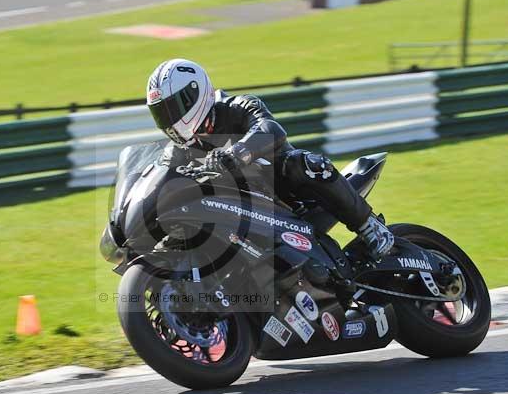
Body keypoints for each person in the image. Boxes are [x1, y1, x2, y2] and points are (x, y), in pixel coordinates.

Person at [146, 58, 394, 260]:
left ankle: (369, 226)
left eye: (172, 107)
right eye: (161, 112)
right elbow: (164, 180)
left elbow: (270, 128)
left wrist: (237, 153)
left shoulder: (236, 106)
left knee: (305, 163)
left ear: (194, 93)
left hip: (287, 195)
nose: (168, 117)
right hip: (237, 214)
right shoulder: (178, 149)